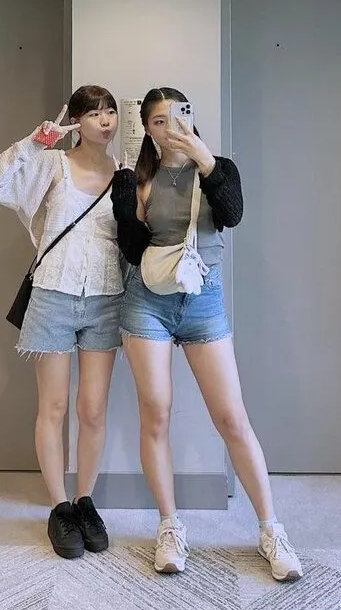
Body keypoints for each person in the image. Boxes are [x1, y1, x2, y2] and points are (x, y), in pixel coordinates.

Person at [111, 87, 303, 582]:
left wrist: (205, 160)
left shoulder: (220, 168)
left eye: (177, 116)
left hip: (203, 301)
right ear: (147, 129)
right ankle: (170, 527)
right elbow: (132, 250)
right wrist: (131, 202)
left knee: (232, 417)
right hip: (147, 301)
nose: (168, 126)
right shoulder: (137, 178)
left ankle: (271, 530)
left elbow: (232, 215)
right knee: (156, 413)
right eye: (157, 121)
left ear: (190, 118)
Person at [0, 85, 124, 561]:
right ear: (76, 121)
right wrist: (35, 142)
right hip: (53, 295)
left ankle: (85, 502)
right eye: (94, 113)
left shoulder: (124, 172)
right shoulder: (52, 164)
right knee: (54, 406)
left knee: (93, 409)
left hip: (106, 298)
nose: (105, 120)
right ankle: (59, 507)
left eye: (110, 112)